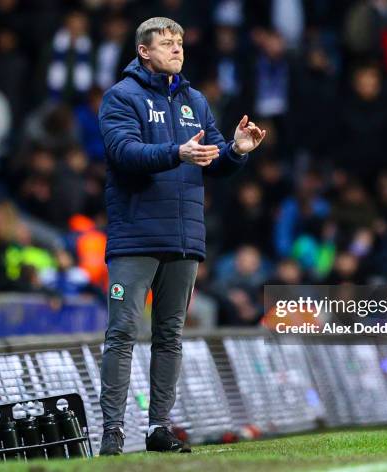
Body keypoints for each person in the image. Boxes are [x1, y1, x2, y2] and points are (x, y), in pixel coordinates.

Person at [98, 17, 266, 455]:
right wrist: (176, 152)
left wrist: (236, 151)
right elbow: (123, 153)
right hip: (135, 236)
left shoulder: (195, 101)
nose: (177, 49)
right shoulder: (121, 98)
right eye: (167, 43)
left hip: (183, 237)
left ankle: (158, 427)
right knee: (122, 333)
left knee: (170, 336)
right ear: (143, 51)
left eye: (180, 43)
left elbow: (213, 160)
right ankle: (113, 432)